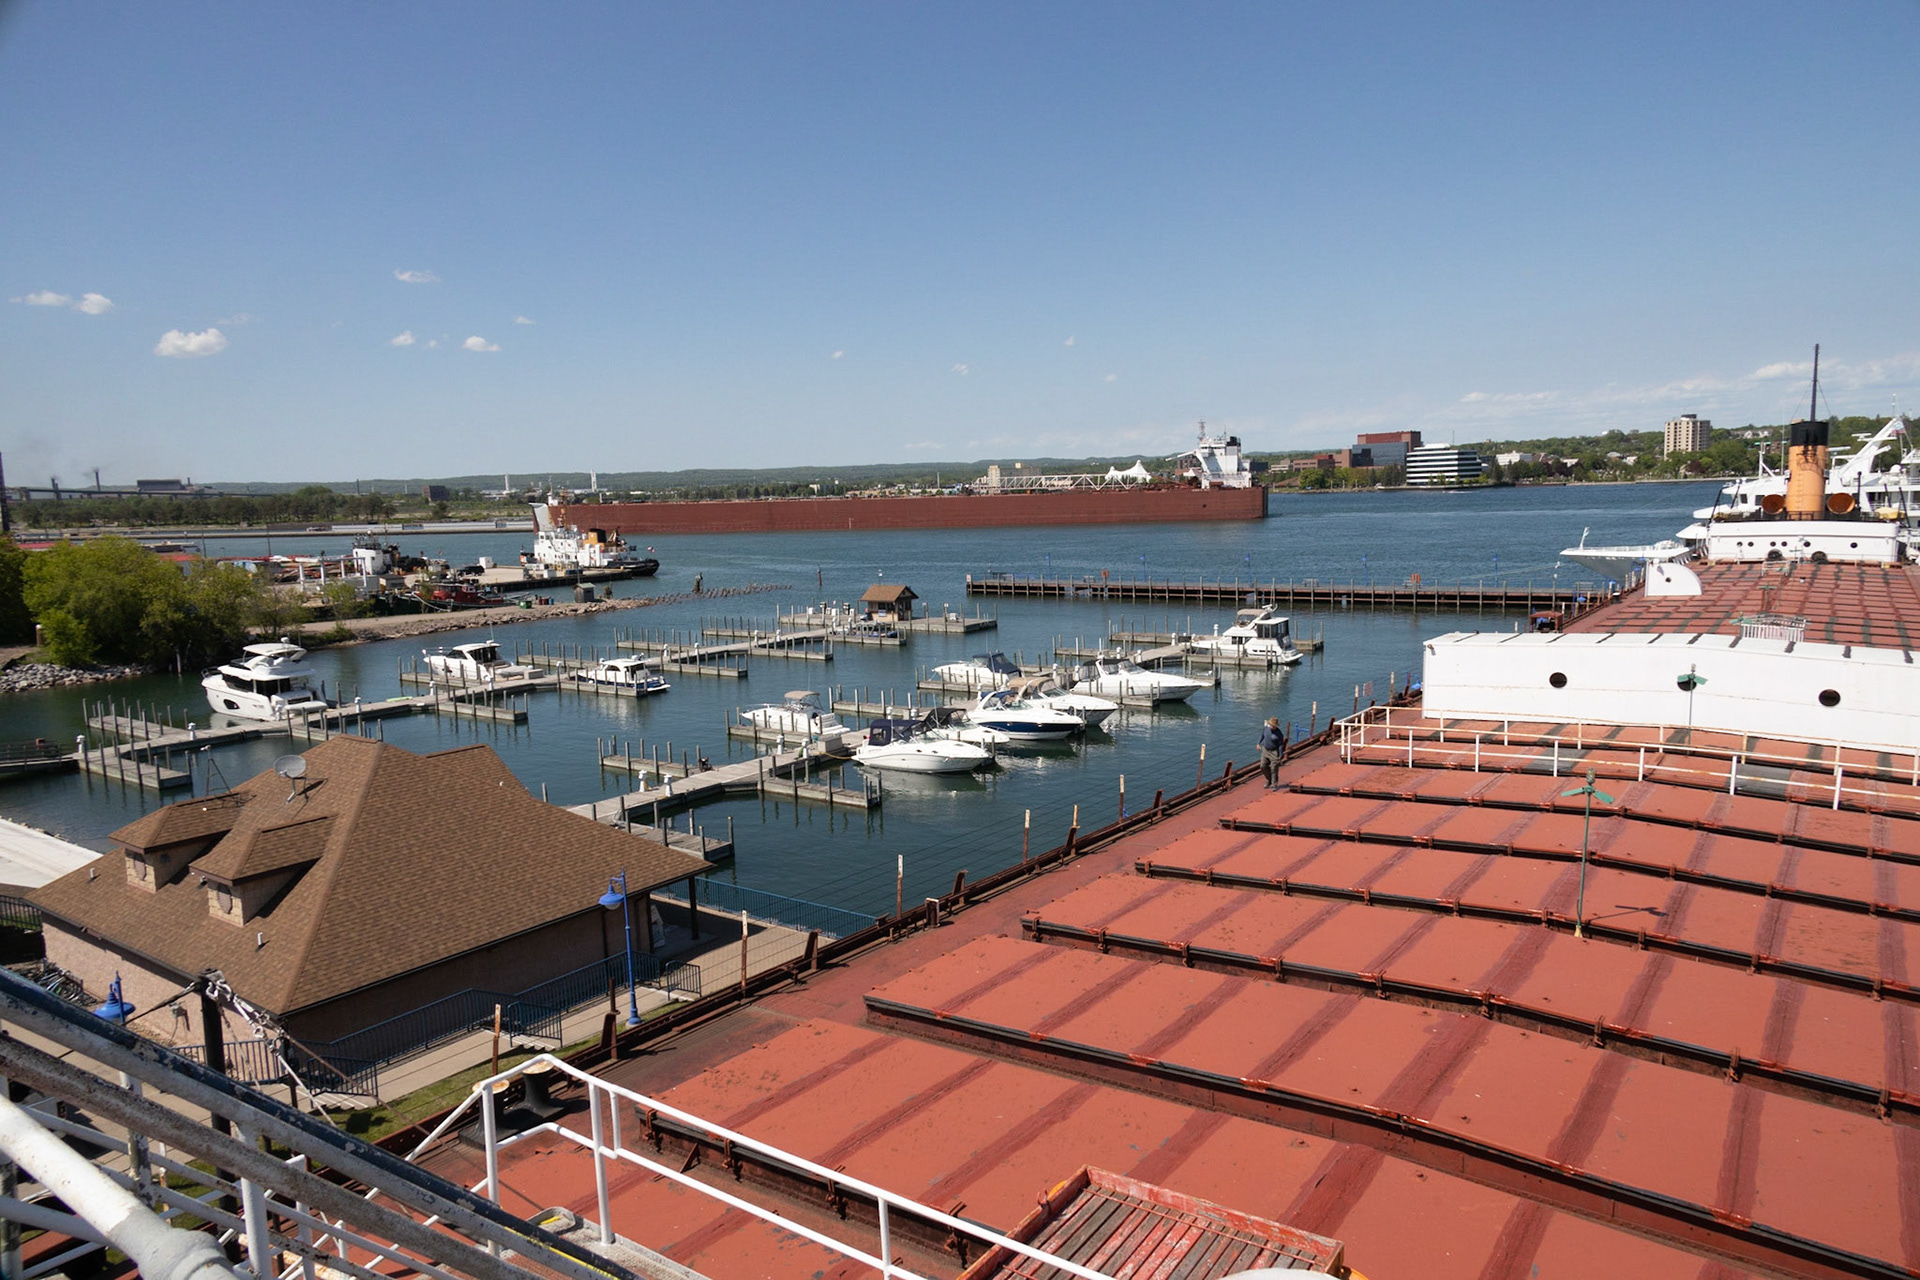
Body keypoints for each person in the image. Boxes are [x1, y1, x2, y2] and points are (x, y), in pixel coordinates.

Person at [1257, 716, 1286, 790]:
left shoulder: (1279, 733)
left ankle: (1274, 784)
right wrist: (1258, 743)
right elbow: (1262, 735)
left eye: (1272, 725)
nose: (1271, 726)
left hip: (1274, 752)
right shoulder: (1266, 728)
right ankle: (1268, 780)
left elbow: (1280, 745)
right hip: (1265, 750)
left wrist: (1280, 755)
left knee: (1274, 768)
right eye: (1270, 724)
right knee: (1262, 766)